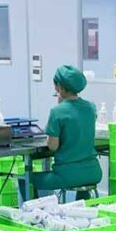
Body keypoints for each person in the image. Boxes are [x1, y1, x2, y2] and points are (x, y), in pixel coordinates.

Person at [36, 65, 102, 197]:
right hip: (93, 172)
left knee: (26, 179)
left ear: (59, 87)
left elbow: (53, 146)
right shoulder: (91, 107)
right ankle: (83, 207)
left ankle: (37, 210)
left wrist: (61, 105)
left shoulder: (57, 111)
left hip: (67, 175)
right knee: (81, 181)